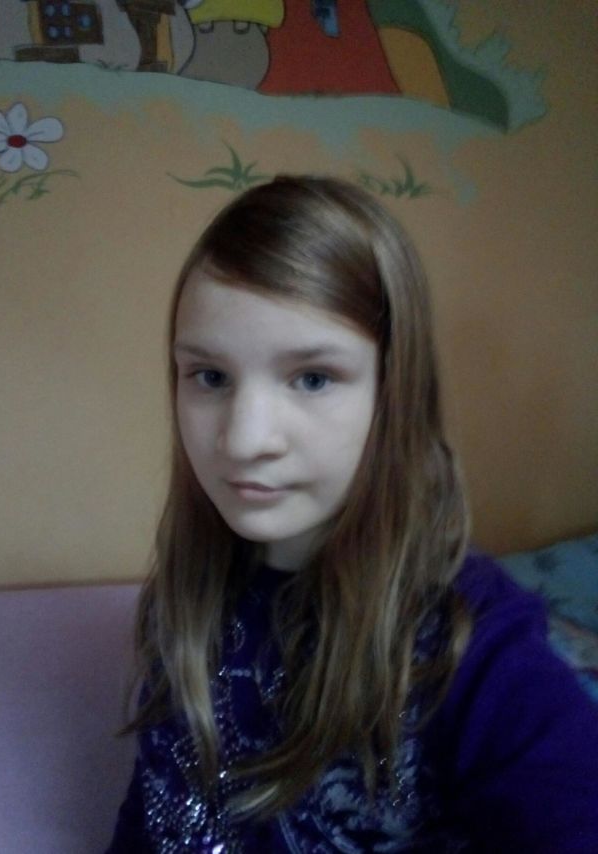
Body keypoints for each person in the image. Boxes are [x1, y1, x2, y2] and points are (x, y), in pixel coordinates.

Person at [107, 176, 598, 853]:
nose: (243, 440)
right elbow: (154, 811)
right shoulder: (184, 602)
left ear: (395, 393)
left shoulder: (472, 648)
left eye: (312, 378)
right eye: (210, 377)